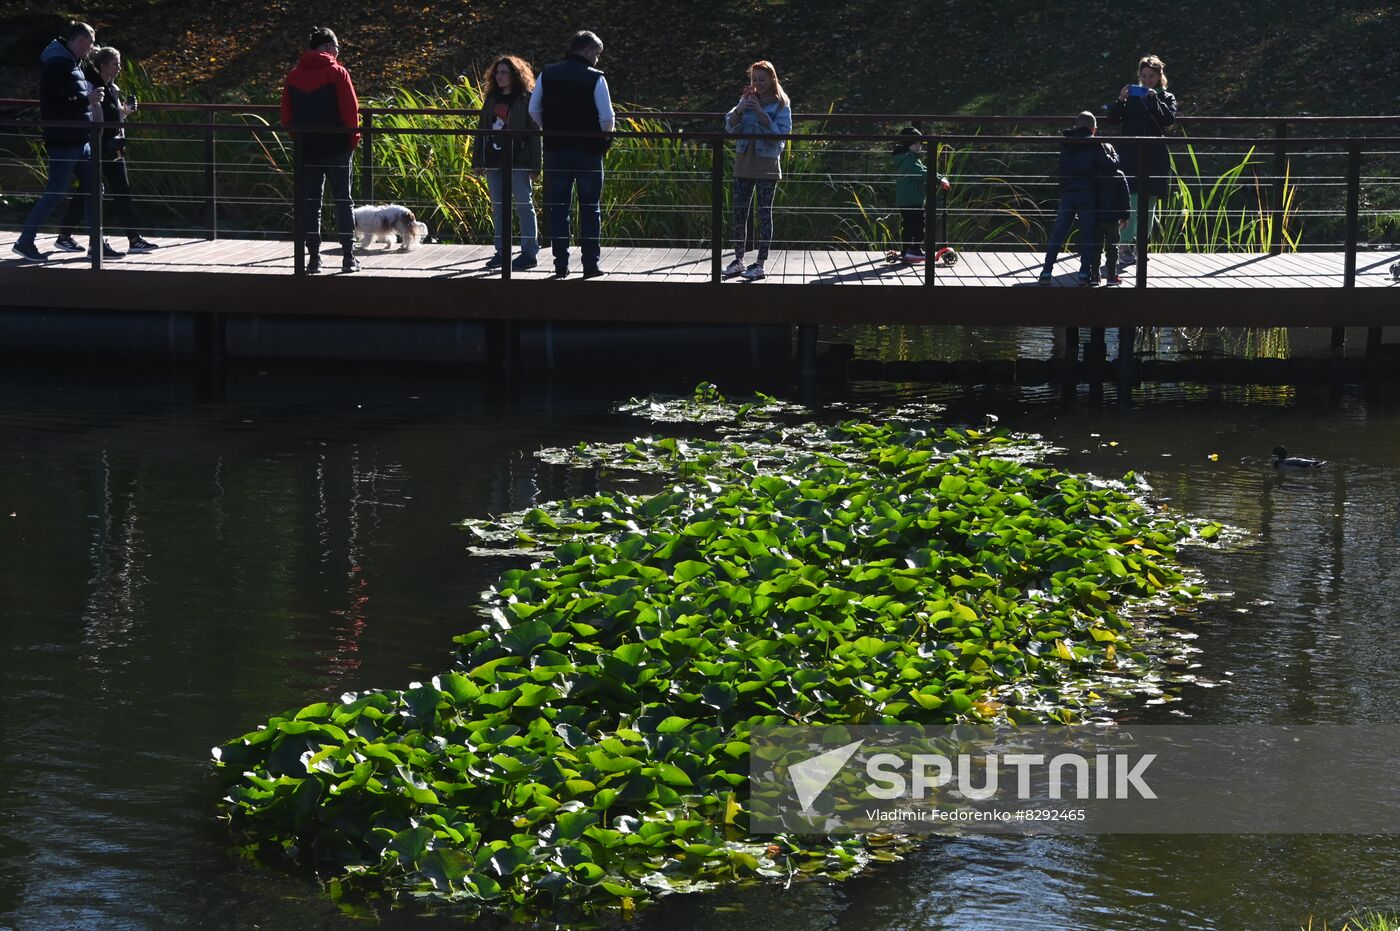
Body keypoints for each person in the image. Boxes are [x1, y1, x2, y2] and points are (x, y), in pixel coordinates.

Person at [12, 21, 102, 262]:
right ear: (81, 41)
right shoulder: (57, 65)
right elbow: (53, 105)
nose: (92, 48)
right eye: (90, 43)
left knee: (95, 187)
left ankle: (96, 245)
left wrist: (88, 87)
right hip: (64, 139)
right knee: (56, 192)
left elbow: (84, 88)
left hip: (80, 138)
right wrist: (87, 100)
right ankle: (25, 241)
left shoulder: (74, 63)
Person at [55, 47, 159, 256]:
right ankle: (66, 236)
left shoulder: (113, 89)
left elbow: (116, 116)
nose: (119, 68)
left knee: (120, 190)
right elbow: (92, 116)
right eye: (115, 64)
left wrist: (127, 111)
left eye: (119, 63)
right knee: (91, 190)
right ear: (103, 66)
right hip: (98, 146)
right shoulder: (93, 88)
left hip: (115, 146)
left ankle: (133, 239)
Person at [529, 30, 614, 279]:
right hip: (588, 151)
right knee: (590, 208)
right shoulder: (596, 78)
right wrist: (604, 135)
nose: (597, 60)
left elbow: (535, 109)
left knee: (559, 208)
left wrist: (551, 129)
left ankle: (560, 264)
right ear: (587, 51)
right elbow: (607, 118)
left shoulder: (548, 73)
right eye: (596, 54)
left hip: (556, 150)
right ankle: (590, 264)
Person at [281, 26, 361, 274]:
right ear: (327, 48)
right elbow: (350, 112)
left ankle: (313, 259)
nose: (338, 52)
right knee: (343, 201)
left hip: (307, 149)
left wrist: (300, 138)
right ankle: (348, 258)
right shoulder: (337, 73)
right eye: (337, 48)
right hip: (337, 147)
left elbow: (286, 116)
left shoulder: (293, 76)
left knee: (311, 204)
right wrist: (352, 140)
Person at [1104, 54, 1177, 271]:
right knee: (1131, 202)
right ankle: (1125, 247)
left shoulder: (1167, 97)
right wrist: (1120, 100)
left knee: (1150, 206)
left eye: (1151, 76)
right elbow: (1113, 120)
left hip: (1155, 157)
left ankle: (1142, 247)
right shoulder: (1132, 96)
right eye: (1143, 76)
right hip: (1131, 156)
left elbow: (1168, 120)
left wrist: (1154, 99)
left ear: (1159, 76)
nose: (1147, 80)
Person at [721, 60, 792, 281]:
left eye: (762, 79)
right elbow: (730, 126)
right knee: (739, 213)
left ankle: (760, 263)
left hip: (767, 164)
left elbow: (780, 136)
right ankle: (739, 259)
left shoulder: (781, 104)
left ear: (772, 79)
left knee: (764, 214)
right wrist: (740, 109)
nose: (757, 83)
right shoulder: (746, 100)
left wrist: (761, 114)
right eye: (754, 79)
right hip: (744, 162)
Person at [474, 55, 542, 270]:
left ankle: (529, 253)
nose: (500, 76)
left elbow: (534, 133)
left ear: (515, 74)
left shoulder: (526, 98)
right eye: (498, 72)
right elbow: (481, 130)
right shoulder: (492, 98)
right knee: (498, 207)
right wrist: (478, 160)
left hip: (519, 159)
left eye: (505, 72)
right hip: (494, 160)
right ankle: (501, 252)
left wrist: (535, 165)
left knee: (524, 205)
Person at [1038, 111, 1118, 286]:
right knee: (1087, 234)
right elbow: (1111, 166)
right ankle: (1083, 274)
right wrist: (1114, 154)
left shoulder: (1067, 143)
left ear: (1076, 127)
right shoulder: (1095, 144)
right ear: (1094, 129)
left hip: (1068, 193)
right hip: (1087, 194)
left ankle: (1046, 271)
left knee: (1058, 233)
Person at [1092, 157, 1131, 286]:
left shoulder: (1094, 174)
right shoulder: (1119, 175)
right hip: (1113, 219)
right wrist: (1125, 216)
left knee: (1096, 247)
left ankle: (1094, 275)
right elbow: (1125, 197)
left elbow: (1089, 195)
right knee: (1112, 247)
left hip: (1096, 217)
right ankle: (1111, 275)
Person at [892, 126, 927, 262]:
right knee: (917, 224)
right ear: (911, 144)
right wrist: (938, 179)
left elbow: (923, 169)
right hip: (912, 199)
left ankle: (907, 250)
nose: (920, 145)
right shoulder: (908, 160)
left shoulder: (907, 157)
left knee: (908, 225)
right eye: (918, 143)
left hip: (906, 198)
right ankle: (915, 249)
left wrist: (939, 177)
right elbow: (921, 173)